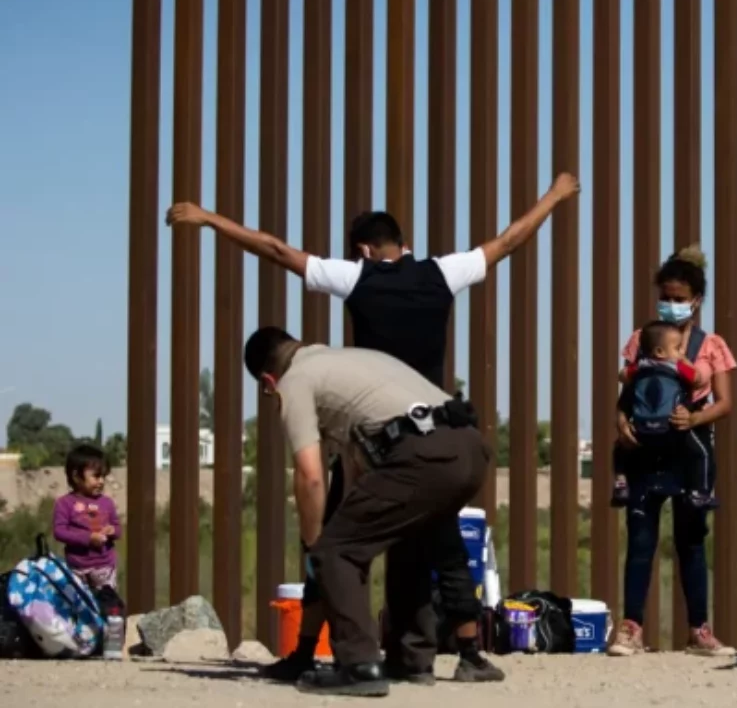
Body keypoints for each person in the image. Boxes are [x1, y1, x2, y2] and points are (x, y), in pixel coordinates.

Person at [166, 172, 578, 683]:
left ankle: (318, 655)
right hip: (441, 426)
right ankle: (457, 655)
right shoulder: (442, 273)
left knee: (333, 542)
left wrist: (209, 220)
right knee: (440, 541)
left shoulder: (357, 278)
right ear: (404, 246)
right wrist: (556, 196)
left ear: (362, 249)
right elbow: (509, 240)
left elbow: (276, 250)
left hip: (371, 436)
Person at [243, 326, 491, 697]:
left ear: (268, 381)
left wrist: (320, 549)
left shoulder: (295, 381)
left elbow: (311, 478)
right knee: (406, 534)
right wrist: (341, 535)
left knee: (334, 551)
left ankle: (359, 665)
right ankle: (410, 660)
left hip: (422, 454)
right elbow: (360, 485)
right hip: (469, 447)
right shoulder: (347, 362)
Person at [607, 246, 737, 657]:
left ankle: (698, 630)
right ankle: (631, 629)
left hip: (688, 452)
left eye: (680, 299)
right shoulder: (640, 340)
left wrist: (693, 421)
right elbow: (627, 392)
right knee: (641, 539)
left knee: (691, 541)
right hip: (644, 452)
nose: (672, 305)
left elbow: (724, 402)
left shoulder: (711, 344)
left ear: (696, 301)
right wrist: (620, 421)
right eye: (666, 297)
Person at [612, 320, 711, 508]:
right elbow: (698, 380)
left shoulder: (640, 365)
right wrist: (684, 360)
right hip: (671, 426)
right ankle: (700, 492)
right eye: (677, 348)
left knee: (619, 449)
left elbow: (622, 375)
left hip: (640, 428)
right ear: (660, 352)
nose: (681, 352)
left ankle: (621, 483)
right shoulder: (677, 366)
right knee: (700, 453)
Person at [52, 443, 121, 592]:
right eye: (96, 476)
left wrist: (112, 530)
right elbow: (59, 531)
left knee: (107, 607)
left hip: (104, 568)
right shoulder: (65, 503)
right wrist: (88, 538)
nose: (101, 481)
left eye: (103, 476)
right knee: (79, 607)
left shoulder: (107, 503)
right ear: (76, 476)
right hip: (77, 568)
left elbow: (118, 529)